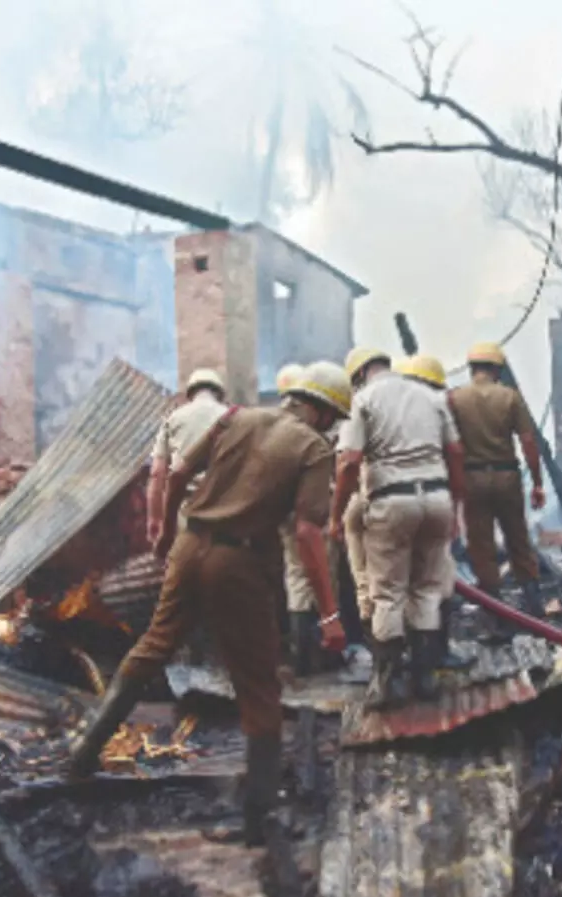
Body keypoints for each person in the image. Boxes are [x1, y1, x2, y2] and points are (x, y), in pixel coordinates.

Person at [69, 361, 351, 847]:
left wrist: (165, 538)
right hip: (236, 563)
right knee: (258, 683)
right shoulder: (313, 448)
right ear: (326, 412)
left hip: (189, 544)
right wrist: (329, 614)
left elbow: (176, 474)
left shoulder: (234, 418)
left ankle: (83, 753)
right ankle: (258, 821)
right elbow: (308, 533)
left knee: (153, 646)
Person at [331, 347, 466, 708]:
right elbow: (455, 453)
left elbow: (349, 463)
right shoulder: (432, 397)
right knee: (425, 589)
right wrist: (455, 506)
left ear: (358, 374)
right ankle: (424, 679)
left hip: (392, 501)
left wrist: (336, 514)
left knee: (387, 593)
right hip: (437, 499)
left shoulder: (362, 400)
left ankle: (387, 683)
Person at [445, 342, 550, 620]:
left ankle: (494, 610)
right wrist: (538, 482)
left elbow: (451, 447)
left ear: (472, 369)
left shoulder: (455, 399)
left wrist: (454, 489)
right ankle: (533, 603)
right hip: (506, 476)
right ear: (497, 369)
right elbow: (528, 442)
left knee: (481, 544)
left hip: (472, 477)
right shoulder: (510, 398)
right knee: (517, 537)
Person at [394, 354, 476, 670]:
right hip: (430, 506)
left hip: (392, 509)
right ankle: (433, 655)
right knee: (438, 583)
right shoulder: (437, 414)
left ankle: (402, 656)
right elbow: (454, 458)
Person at [275, 363, 328, 676]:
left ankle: (300, 660)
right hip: (313, 512)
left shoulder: (274, 425)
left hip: (285, 513)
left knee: (295, 578)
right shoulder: (315, 433)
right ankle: (319, 653)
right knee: (323, 578)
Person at [146, 367, 229, 544]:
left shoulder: (174, 418)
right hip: (225, 513)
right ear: (219, 393)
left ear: (190, 393)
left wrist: (155, 519)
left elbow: (157, 473)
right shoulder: (232, 418)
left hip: (185, 517)